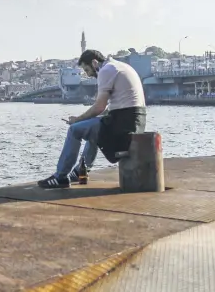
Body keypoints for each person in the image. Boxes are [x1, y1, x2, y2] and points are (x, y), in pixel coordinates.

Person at [37, 49, 147, 189]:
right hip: (135, 121)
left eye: (87, 69)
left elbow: (99, 107)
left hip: (123, 124)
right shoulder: (120, 66)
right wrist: (85, 120)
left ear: (95, 63)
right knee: (92, 128)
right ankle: (80, 171)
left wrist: (77, 119)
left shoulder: (106, 70)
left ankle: (61, 177)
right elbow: (114, 107)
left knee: (74, 130)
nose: (88, 74)